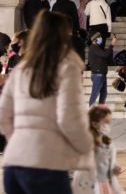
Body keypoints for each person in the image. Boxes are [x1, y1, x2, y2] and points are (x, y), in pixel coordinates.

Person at [0, 11, 93, 193]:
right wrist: (87, 148)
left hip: (14, 162)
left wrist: (20, 139)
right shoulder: (66, 67)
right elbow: (68, 119)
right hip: (46, 161)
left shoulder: (21, 69)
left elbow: (3, 115)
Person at [74, 105, 122, 193]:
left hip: (105, 183)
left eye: (109, 122)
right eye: (106, 122)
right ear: (94, 123)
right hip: (90, 184)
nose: (108, 126)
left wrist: (115, 167)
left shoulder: (107, 141)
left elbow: (109, 161)